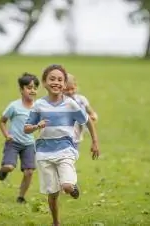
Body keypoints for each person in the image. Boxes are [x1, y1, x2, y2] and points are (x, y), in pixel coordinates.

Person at [24, 64, 100, 226]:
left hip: (65, 150)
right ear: (44, 82)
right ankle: (56, 222)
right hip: (44, 154)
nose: (56, 82)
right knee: (52, 193)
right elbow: (26, 128)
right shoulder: (39, 105)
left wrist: (95, 142)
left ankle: (71, 188)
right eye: (52, 79)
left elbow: (87, 122)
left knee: (65, 186)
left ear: (64, 85)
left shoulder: (71, 105)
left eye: (60, 80)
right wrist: (37, 126)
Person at [0, 73, 40, 204]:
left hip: (29, 144)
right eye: (29, 87)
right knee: (10, 167)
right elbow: (2, 121)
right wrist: (7, 135)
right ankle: (3, 170)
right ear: (21, 90)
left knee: (29, 172)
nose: (32, 90)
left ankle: (21, 197)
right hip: (13, 142)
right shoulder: (14, 106)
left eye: (35, 88)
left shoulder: (38, 107)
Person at [63, 73, 98, 150]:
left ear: (76, 86)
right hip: (62, 139)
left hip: (76, 138)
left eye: (72, 89)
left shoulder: (81, 100)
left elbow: (91, 112)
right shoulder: (60, 102)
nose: (70, 92)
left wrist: (93, 117)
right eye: (66, 90)